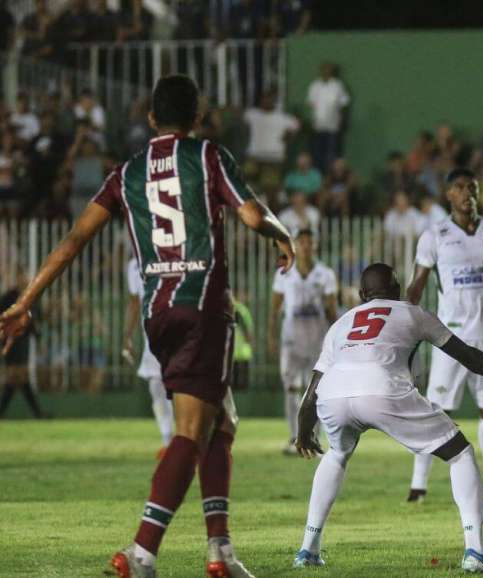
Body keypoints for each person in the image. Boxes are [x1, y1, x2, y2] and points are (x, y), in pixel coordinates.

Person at [0, 74, 295, 578]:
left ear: (152, 118)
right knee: (190, 433)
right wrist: (281, 231)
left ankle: (220, 549)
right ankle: (142, 552)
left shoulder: (126, 172)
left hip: (157, 314)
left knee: (222, 423)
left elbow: (74, 239)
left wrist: (26, 301)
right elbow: (249, 215)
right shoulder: (207, 156)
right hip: (203, 306)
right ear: (198, 117)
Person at [291, 263, 483, 573]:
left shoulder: (341, 323)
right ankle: (476, 550)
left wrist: (304, 430)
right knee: (460, 452)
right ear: (398, 289)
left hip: (333, 394)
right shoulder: (413, 313)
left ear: (362, 295)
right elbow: (465, 353)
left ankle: (308, 549)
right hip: (382, 388)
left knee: (336, 454)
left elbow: (313, 387)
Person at [403, 168, 483, 504]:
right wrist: (405, 326)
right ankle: (418, 485)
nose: (467, 193)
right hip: (449, 339)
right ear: (448, 194)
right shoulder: (434, 235)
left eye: (472, 187)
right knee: (436, 411)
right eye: (459, 188)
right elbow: (417, 285)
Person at [269, 229, 338, 454]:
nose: (307, 246)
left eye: (310, 242)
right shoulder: (284, 273)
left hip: (317, 337)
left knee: (316, 389)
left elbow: (331, 309)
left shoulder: (325, 274)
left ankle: (313, 437)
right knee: (291, 387)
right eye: (303, 242)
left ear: (315, 246)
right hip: (291, 337)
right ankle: (293, 436)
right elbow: (275, 308)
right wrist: (271, 335)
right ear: (296, 246)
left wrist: (336, 339)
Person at [123, 257, 174, 456]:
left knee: (180, 386)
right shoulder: (134, 265)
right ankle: (168, 440)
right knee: (156, 386)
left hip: (179, 325)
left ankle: (187, 441)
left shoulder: (174, 251)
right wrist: (127, 335)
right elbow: (135, 302)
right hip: (152, 333)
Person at [0, 271, 47, 419]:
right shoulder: (8, 297)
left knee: (19, 377)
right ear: (18, 278)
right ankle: (37, 413)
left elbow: (34, 320)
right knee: (17, 376)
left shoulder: (30, 297)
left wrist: (37, 337)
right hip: (9, 340)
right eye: (23, 276)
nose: (25, 279)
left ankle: (37, 412)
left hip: (23, 341)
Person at [306, 62, 351, 171]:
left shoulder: (338, 85)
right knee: (316, 154)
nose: (326, 72)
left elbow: (343, 104)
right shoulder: (314, 85)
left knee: (332, 155)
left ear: (332, 72)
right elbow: (311, 103)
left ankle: (329, 178)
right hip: (317, 126)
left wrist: (342, 120)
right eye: (324, 69)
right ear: (321, 71)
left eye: (329, 70)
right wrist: (313, 120)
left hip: (333, 126)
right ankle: (318, 180)